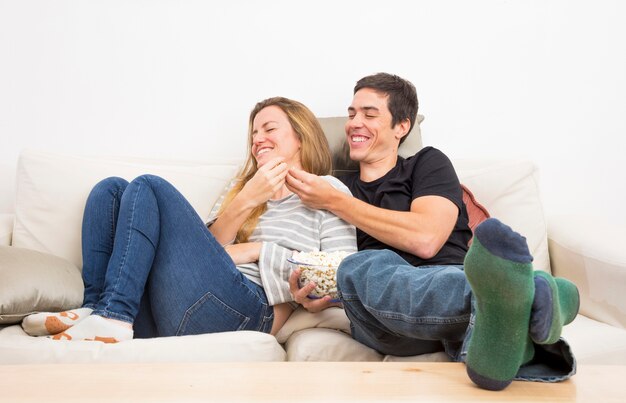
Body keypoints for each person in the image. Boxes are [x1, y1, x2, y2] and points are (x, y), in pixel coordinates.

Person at [286, 73, 579, 391]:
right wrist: (316, 294)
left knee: (450, 278)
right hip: (386, 322)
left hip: (450, 284)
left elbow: (427, 239)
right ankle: (530, 294)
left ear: (402, 127)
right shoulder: (335, 189)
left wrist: (337, 203)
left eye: (370, 115)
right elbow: (320, 259)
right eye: (352, 113)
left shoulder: (427, 164)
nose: (355, 123)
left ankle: (493, 347)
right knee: (360, 267)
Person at [21, 97, 357, 342]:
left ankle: (113, 315)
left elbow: (342, 268)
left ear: (301, 135)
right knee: (109, 190)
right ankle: (96, 309)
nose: (257, 140)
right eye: (253, 133)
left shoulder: (329, 189)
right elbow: (207, 252)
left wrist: (257, 250)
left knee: (148, 186)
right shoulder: (239, 188)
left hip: (246, 309)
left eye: (269, 129)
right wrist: (247, 199)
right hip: (185, 300)